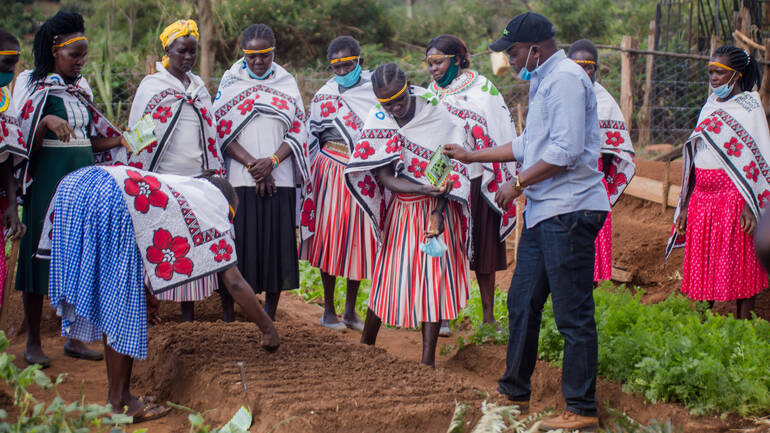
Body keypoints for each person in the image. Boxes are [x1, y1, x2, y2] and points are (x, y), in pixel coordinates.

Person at [445, 12, 609, 430]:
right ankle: (513, 393)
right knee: (521, 303)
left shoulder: (568, 79)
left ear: (535, 47)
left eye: (513, 52)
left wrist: (515, 184)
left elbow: (566, 150)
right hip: (544, 210)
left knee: (573, 313)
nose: (510, 60)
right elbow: (527, 144)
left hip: (569, 209)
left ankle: (581, 408)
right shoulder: (543, 79)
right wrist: (472, 156)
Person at [38, 165, 280, 422]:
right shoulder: (212, 203)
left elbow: (146, 239)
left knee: (117, 303)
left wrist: (149, 295)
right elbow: (234, 283)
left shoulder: (181, 189)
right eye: (232, 215)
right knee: (123, 306)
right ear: (228, 204)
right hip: (109, 195)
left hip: (79, 185)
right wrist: (267, 327)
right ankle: (120, 403)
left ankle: (117, 398)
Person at [13, 11, 126, 368]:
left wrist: (121, 139)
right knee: (37, 261)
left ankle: (75, 337)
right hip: (46, 182)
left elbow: (87, 141)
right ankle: (32, 341)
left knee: (77, 254)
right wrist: (46, 121)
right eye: (74, 55)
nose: (80, 62)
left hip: (80, 182)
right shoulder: (35, 88)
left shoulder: (81, 91)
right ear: (54, 50)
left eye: (83, 55)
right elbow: (20, 145)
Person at [346, 63, 473, 367]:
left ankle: (427, 362)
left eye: (399, 100)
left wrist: (438, 212)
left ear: (410, 87)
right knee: (389, 276)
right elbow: (386, 178)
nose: (395, 108)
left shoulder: (436, 115)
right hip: (403, 211)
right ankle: (367, 345)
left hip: (437, 211)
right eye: (386, 103)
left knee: (433, 279)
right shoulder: (380, 118)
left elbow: (449, 171)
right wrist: (425, 190)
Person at [127, 19, 224, 322]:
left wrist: (210, 170)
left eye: (193, 52)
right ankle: (147, 309)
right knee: (155, 242)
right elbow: (138, 136)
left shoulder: (198, 89)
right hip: (161, 179)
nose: (188, 58)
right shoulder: (152, 87)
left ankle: (187, 316)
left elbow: (210, 134)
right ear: (167, 51)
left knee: (189, 245)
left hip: (194, 178)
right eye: (182, 51)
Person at [213, 24, 312, 321]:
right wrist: (253, 165)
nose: (258, 61)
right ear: (243, 54)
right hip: (240, 178)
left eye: (265, 55)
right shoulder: (231, 81)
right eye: (252, 55)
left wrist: (271, 161)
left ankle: (269, 313)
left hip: (278, 177)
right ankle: (229, 313)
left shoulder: (286, 81)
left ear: (273, 52)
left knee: (276, 244)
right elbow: (219, 130)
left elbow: (298, 129)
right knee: (238, 243)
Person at [667, 45, 769, 319]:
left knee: (741, 263)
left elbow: (760, 162)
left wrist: (751, 206)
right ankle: (701, 326)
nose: (713, 78)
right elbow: (695, 156)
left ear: (736, 74)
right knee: (704, 262)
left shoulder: (750, 109)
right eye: (710, 71)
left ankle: (742, 329)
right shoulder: (709, 106)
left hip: (735, 199)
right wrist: (686, 204)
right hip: (702, 198)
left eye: (719, 73)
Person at [425, 34, 518, 333]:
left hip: (479, 180)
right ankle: (442, 315)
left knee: (485, 251)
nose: (433, 69)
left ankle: (489, 317)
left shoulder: (483, 90)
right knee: (445, 246)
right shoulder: (431, 92)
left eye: (438, 62)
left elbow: (501, 130)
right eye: (429, 64)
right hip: (445, 185)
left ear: (457, 59)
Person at [301, 36, 376, 331]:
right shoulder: (323, 96)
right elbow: (313, 137)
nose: (344, 71)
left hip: (362, 174)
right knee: (330, 240)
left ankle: (350, 310)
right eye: (337, 66)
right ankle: (328, 310)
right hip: (330, 171)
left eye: (349, 64)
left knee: (357, 240)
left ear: (360, 61)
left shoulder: (375, 92)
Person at [568, 39, 636, 283]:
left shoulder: (604, 102)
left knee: (589, 260)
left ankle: (588, 308)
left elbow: (616, 151)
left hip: (592, 188)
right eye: (577, 65)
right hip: (560, 188)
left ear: (596, 68)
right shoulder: (556, 96)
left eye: (588, 66)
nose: (583, 72)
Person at [0, 28, 28, 302]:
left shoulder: (4, 101)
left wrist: (11, 204)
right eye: (7, 64)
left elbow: (7, 156)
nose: (11, 71)